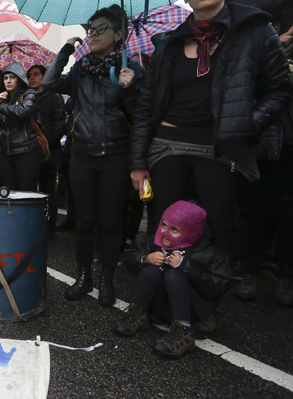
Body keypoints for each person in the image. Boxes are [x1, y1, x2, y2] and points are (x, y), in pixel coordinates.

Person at [128, 0, 292, 259]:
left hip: (220, 148)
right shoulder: (169, 41)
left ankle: (207, 293)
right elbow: (145, 106)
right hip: (166, 145)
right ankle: (161, 293)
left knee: (219, 229)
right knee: (162, 228)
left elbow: (280, 90)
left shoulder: (255, 29)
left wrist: (247, 126)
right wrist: (137, 162)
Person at [42, 5, 139, 306]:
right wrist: (63, 54)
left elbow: (140, 115)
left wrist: (130, 88)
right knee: (84, 221)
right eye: (89, 30)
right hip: (82, 153)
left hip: (116, 154)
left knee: (111, 222)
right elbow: (47, 86)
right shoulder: (80, 71)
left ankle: (107, 279)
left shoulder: (131, 68)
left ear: (119, 34)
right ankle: (83, 276)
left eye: (100, 29)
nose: (92, 34)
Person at [114, 201, 232, 360]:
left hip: (192, 311)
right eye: (163, 225)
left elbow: (218, 288)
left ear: (192, 231)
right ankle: (138, 314)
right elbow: (131, 261)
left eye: (174, 230)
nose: (165, 233)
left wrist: (186, 267)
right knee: (151, 270)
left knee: (174, 275)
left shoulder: (210, 253)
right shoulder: (156, 243)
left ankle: (183, 332)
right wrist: (145, 258)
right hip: (161, 306)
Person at [234, 14, 293, 306]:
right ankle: (250, 272)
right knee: (253, 210)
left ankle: (286, 276)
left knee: (289, 214)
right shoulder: (256, 52)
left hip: (289, 146)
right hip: (260, 145)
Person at [0, 62, 41, 191]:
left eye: (12, 77)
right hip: (5, 153)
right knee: (9, 194)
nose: (8, 81)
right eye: (5, 78)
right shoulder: (3, 98)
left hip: (26, 151)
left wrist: (1, 106)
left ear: (20, 78)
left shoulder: (29, 94)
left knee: (26, 193)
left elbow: (23, 111)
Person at [27, 64, 67, 229]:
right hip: (29, 151)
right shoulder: (25, 97)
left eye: (36, 74)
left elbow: (59, 125)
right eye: (29, 75)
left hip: (50, 152)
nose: (32, 78)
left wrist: (45, 144)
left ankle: (49, 226)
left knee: (48, 190)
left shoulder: (53, 97)